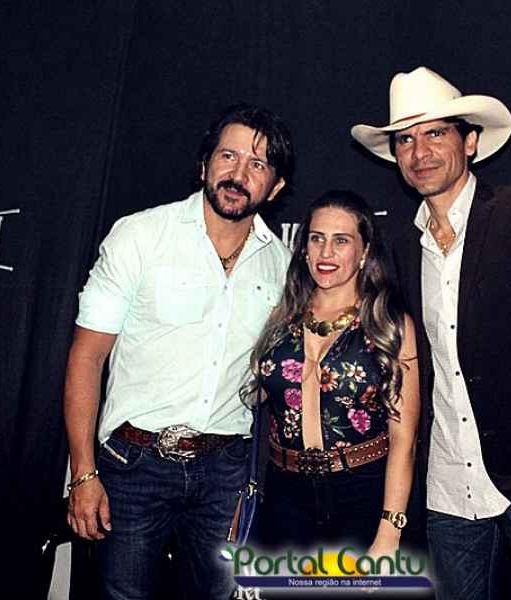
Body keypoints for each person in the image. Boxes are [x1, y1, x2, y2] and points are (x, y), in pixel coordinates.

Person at [351, 67, 511, 599]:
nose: (420, 152)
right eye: (406, 139)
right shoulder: (400, 244)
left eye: (435, 133)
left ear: (470, 142)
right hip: (446, 489)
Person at [63, 103, 294, 600]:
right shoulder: (140, 236)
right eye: (228, 156)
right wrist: (82, 473)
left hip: (226, 472)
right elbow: (87, 356)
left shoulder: (281, 265)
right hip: (132, 465)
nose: (238, 174)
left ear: (275, 187)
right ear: (204, 164)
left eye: (257, 164)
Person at [246, 190, 420, 558]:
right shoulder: (280, 317)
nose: (326, 253)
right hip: (284, 493)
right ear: (303, 247)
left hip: (362, 490)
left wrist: (389, 532)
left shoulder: (388, 324)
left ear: (364, 251)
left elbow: (404, 439)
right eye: (316, 238)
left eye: (341, 241)